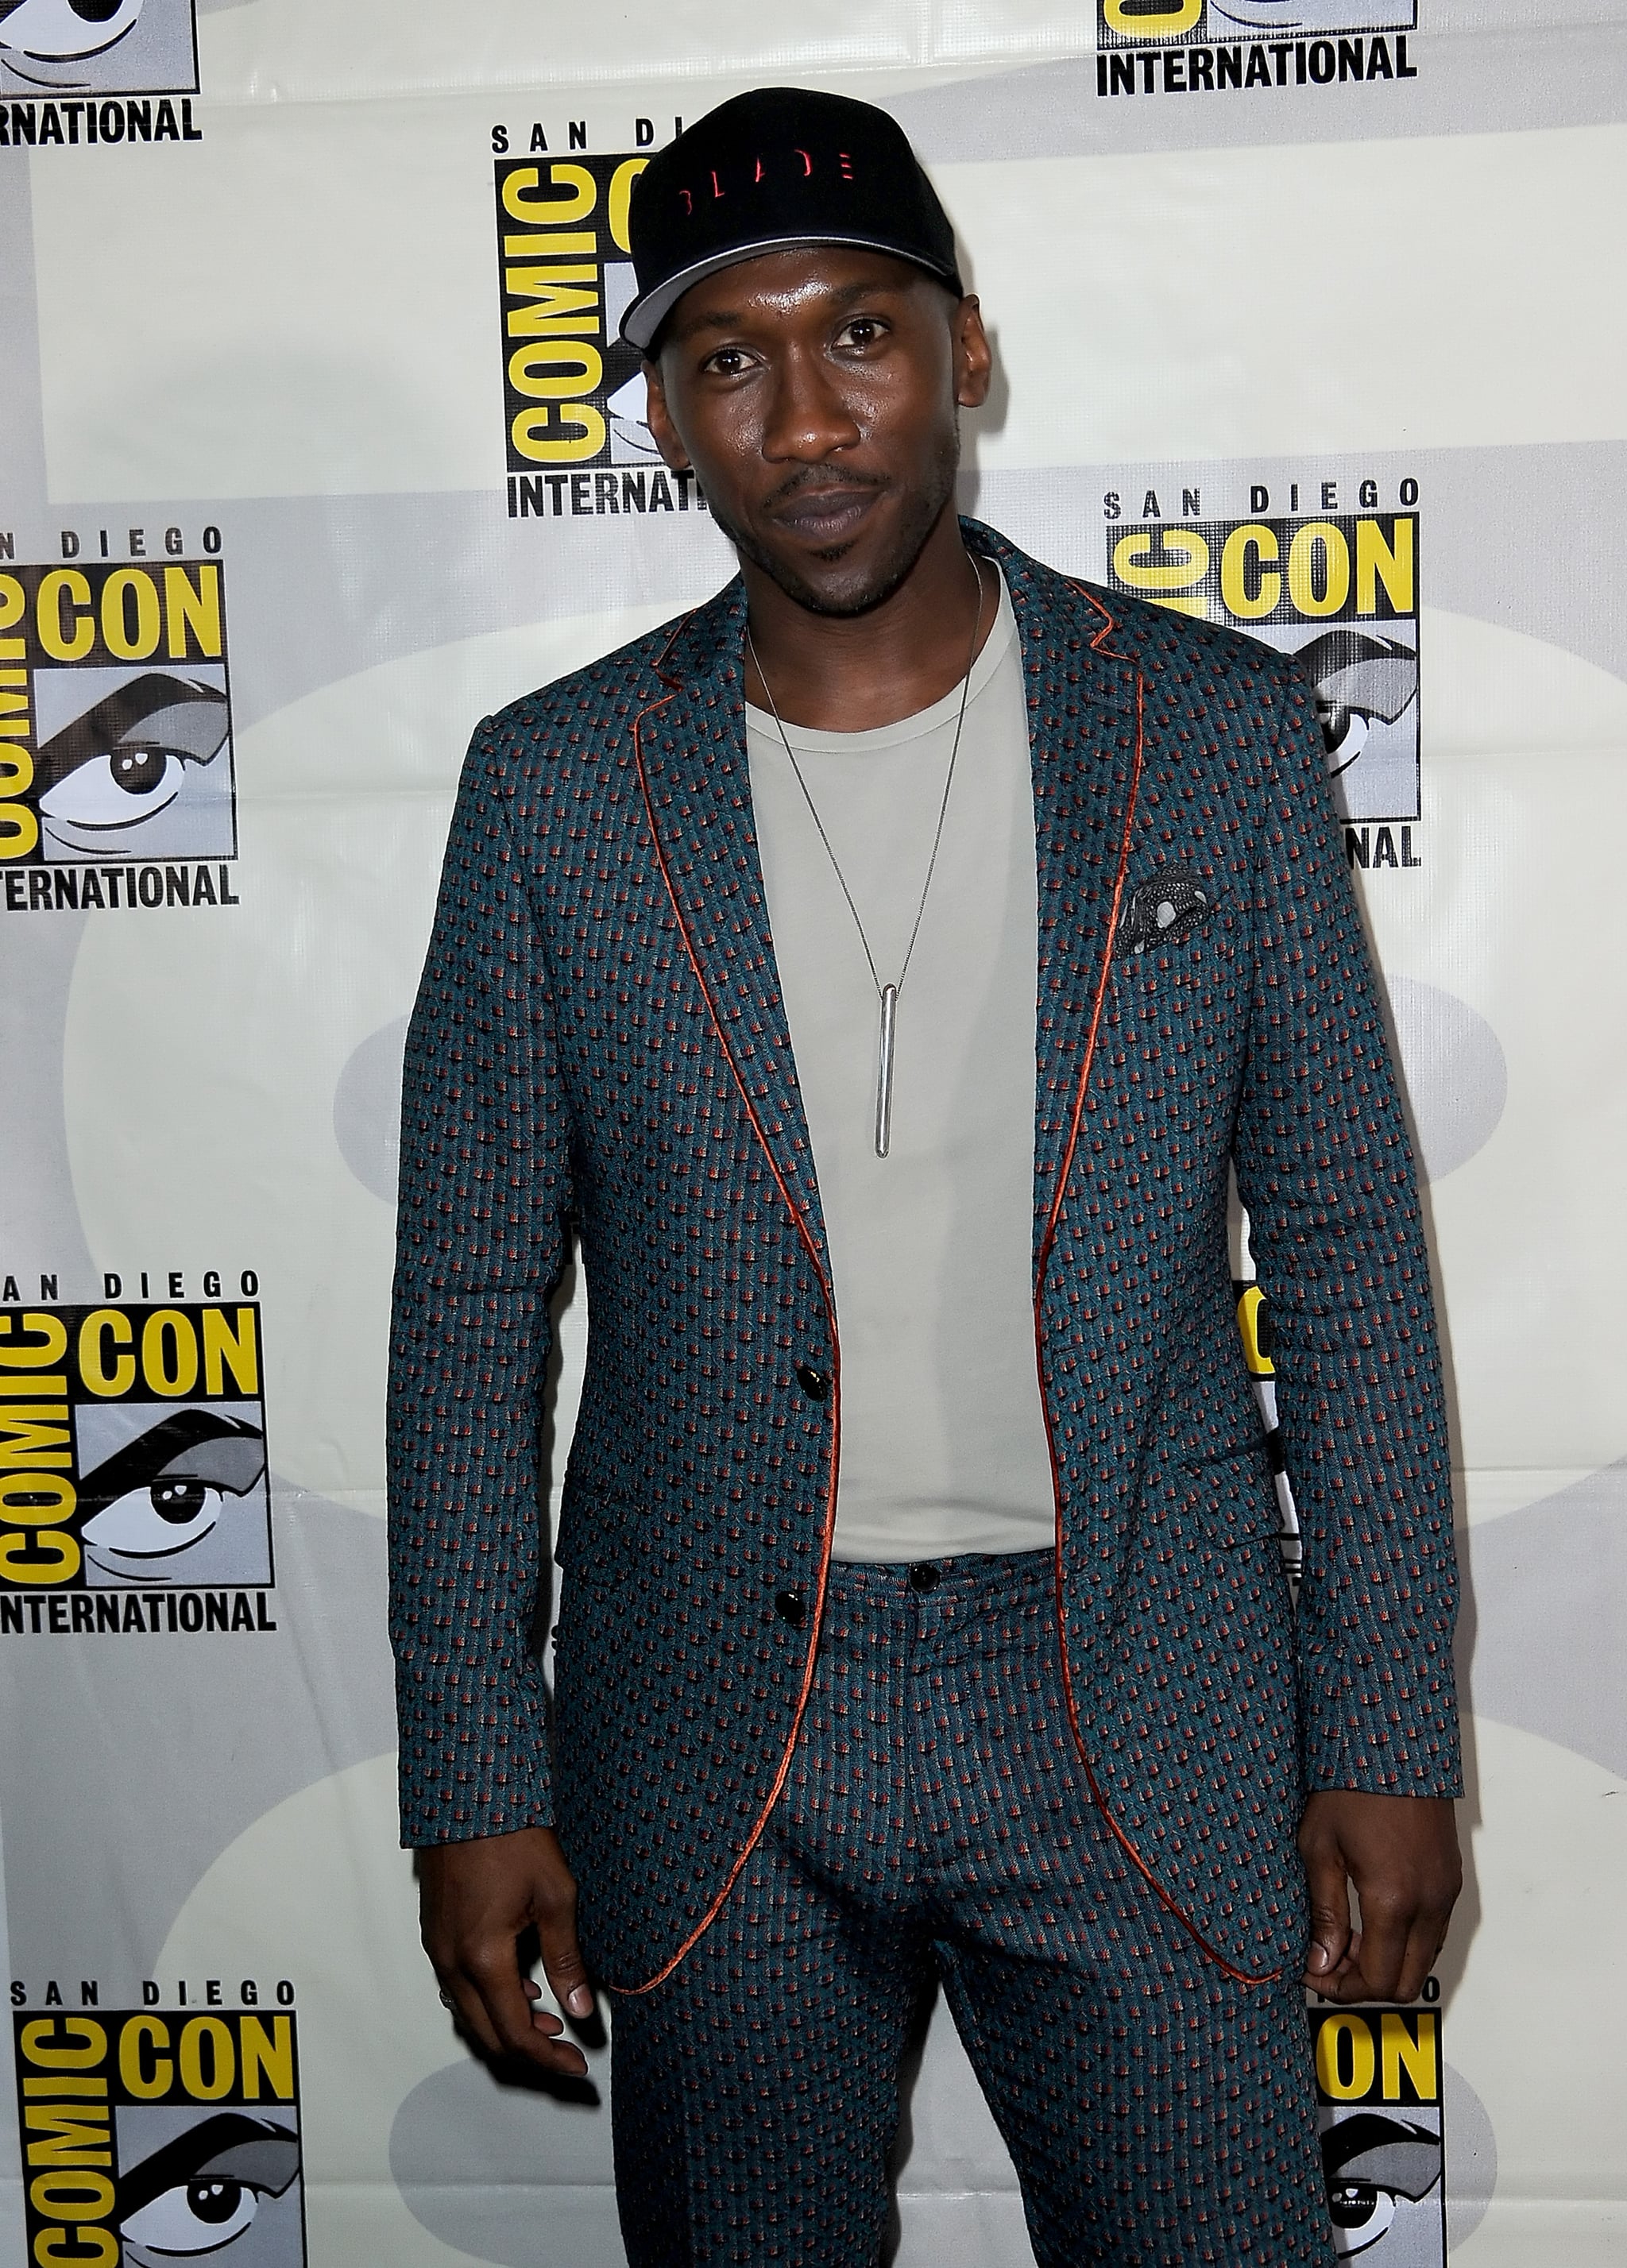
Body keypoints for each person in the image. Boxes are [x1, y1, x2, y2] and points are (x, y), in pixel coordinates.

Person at [388, 85, 1462, 2266]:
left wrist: (1386, 1726)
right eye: (728, 359)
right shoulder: (552, 795)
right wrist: (475, 1780)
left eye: (857, 335)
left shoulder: (1218, 735)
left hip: (1139, 1706)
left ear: (966, 347)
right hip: (711, 1744)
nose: (804, 419)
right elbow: (470, 1310)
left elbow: (1344, 1250)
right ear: (665, 417)